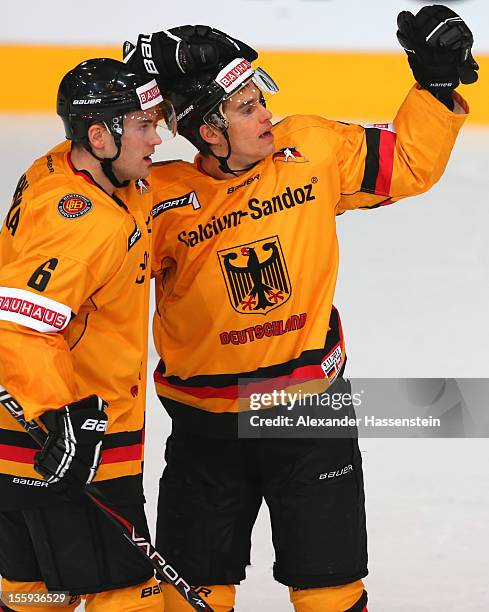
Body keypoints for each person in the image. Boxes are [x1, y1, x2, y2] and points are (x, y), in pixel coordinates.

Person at [126, 6, 477, 611]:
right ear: (208, 129)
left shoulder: (310, 149)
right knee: (192, 596)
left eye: (259, 94)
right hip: (206, 427)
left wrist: (435, 87)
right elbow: (87, 273)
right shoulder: (160, 200)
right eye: (243, 107)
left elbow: (408, 164)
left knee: (330, 591)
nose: (265, 112)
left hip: (308, 415)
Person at [0, 58, 177, 611]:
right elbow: (19, 323)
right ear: (99, 135)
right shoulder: (85, 222)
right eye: (144, 126)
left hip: (16, 439)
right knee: (130, 597)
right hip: (74, 439)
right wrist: (64, 419)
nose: (158, 138)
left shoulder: (67, 168)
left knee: (34, 597)